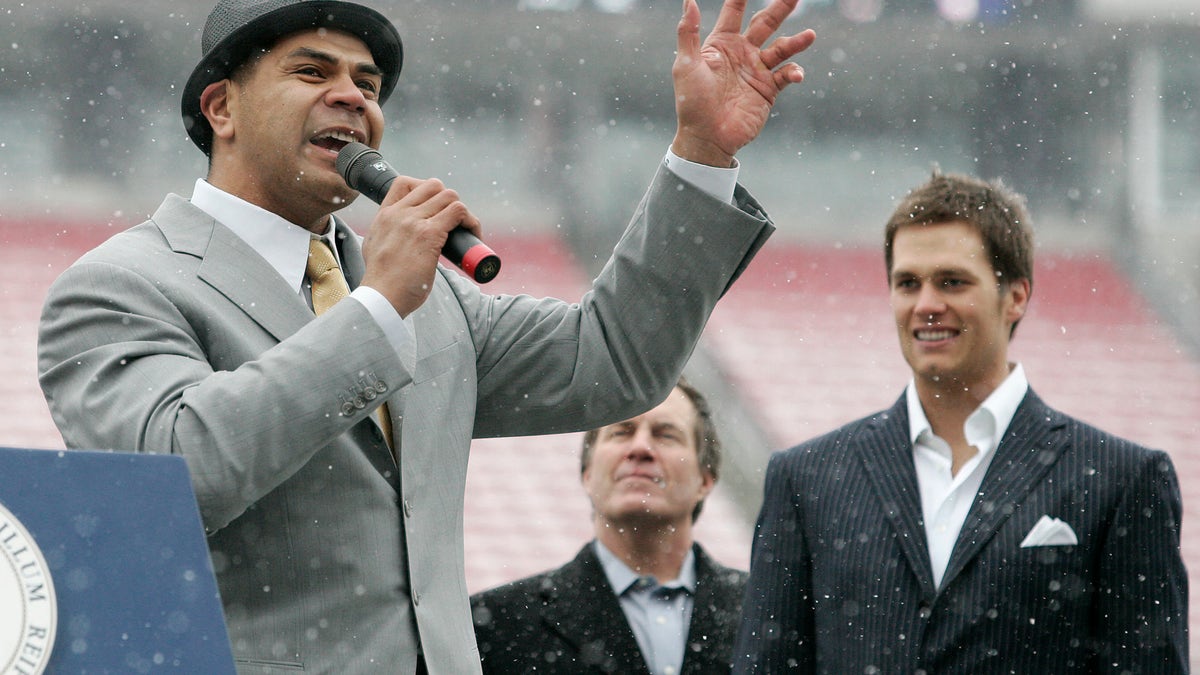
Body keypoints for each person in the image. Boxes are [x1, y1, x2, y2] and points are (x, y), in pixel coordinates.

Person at [36, 0, 815, 672]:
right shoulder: (121, 285)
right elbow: (173, 472)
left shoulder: (425, 295)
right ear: (222, 109)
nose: (352, 98)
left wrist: (703, 156)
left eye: (368, 85)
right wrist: (375, 308)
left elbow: (611, 357)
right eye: (312, 73)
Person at [733, 172, 1189, 674]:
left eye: (952, 281)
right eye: (908, 283)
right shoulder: (806, 480)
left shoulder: (1120, 479)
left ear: (1016, 296)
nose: (927, 305)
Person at [470, 380, 747, 674]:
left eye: (666, 434)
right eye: (621, 432)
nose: (640, 448)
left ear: (706, 479)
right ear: (587, 474)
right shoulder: (494, 624)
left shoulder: (773, 611)